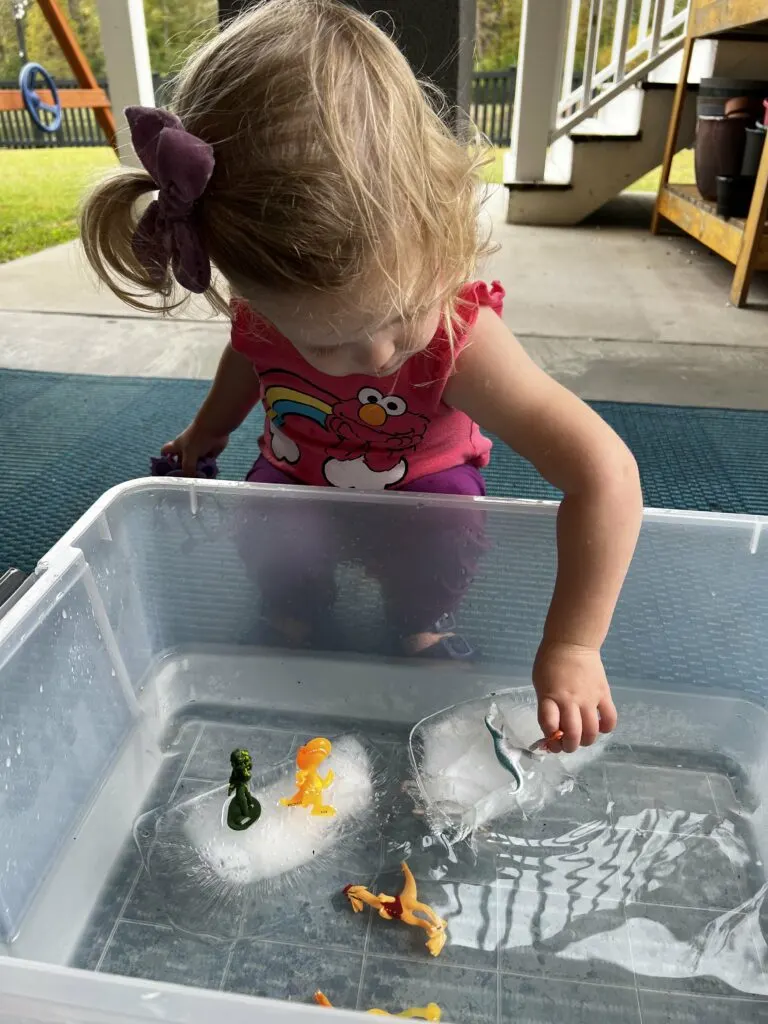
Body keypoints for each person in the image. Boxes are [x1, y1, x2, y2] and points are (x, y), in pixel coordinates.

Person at [79, 0, 642, 753]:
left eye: (400, 315)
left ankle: (420, 624)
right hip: (301, 474)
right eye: (331, 343)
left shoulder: (461, 340)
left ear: (442, 228)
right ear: (248, 295)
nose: (378, 356)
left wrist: (575, 644)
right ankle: (293, 614)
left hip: (423, 488)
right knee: (272, 528)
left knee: (439, 541)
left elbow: (605, 473)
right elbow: (245, 365)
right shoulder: (263, 315)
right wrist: (207, 431)